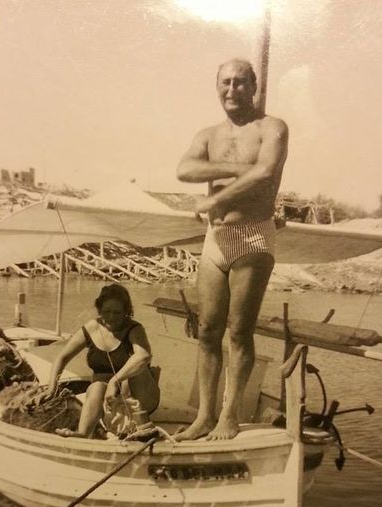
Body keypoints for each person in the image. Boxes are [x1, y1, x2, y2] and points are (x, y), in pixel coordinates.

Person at [174, 58, 288, 441]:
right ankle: (205, 416)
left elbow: (267, 172)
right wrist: (241, 169)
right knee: (208, 330)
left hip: (252, 236)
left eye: (240, 82)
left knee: (239, 332)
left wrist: (214, 198)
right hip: (216, 240)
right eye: (225, 82)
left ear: (254, 87)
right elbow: (184, 170)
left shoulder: (272, 127)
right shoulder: (208, 134)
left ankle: (230, 415)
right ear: (217, 86)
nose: (232, 89)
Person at [46, 284, 159, 438]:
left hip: (138, 397)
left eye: (117, 312)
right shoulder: (91, 328)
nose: (111, 317)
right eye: (106, 312)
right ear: (99, 310)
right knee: (96, 387)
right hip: (106, 399)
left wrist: (115, 381)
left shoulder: (135, 329)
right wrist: (51, 388)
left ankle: (139, 425)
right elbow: (62, 357)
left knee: (136, 369)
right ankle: (82, 434)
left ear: (126, 312)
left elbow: (143, 355)